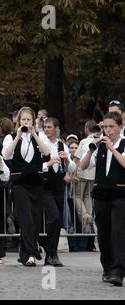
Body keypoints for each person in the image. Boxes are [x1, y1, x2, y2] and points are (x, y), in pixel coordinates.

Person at [80, 112, 125, 286]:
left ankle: (119, 269)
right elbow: (83, 166)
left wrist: (113, 148)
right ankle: (107, 267)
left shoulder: (122, 144)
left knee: (118, 232)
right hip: (102, 194)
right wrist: (92, 148)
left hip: (120, 194)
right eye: (105, 127)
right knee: (104, 233)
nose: (108, 130)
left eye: (111, 127)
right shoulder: (99, 146)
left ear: (120, 127)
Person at [2, 107, 50, 266]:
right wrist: (18, 136)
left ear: (33, 121)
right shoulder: (11, 137)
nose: (26, 122)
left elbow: (46, 152)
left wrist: (34, 134)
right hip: (19, 181)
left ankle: (26, 252)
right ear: (18, 121)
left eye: (29, 120)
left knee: (35, 218)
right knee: (25, 217)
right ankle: (30, 254)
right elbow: (6, 154)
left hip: (35, 181)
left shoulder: (39, 136)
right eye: (23, 120)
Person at [41, 117, 76, 266]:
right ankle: (47, 251)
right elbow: (36, 164)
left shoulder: (62, 144)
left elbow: (72, 168)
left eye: (49, 127)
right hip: (45, 185)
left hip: (59, 185)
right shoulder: (41, 143)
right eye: (45, 127)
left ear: (56, 128)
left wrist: (67, 159)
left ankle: (52, 254)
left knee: (58, 221)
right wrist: (48, 164)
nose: (46, 129)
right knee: (53, 217)